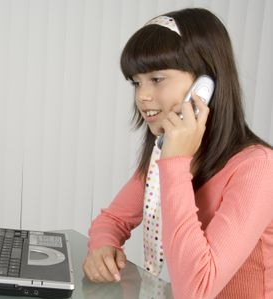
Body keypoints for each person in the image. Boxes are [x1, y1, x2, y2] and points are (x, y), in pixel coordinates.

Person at [83, 7, 273, 299]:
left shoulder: (258, 168)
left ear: (205, 85)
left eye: (157, 79)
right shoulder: (166, 152)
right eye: (136, 82)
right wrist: (102, 245)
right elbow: (112, 220)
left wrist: (175, 163)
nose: (142, 96)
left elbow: (197, 290)